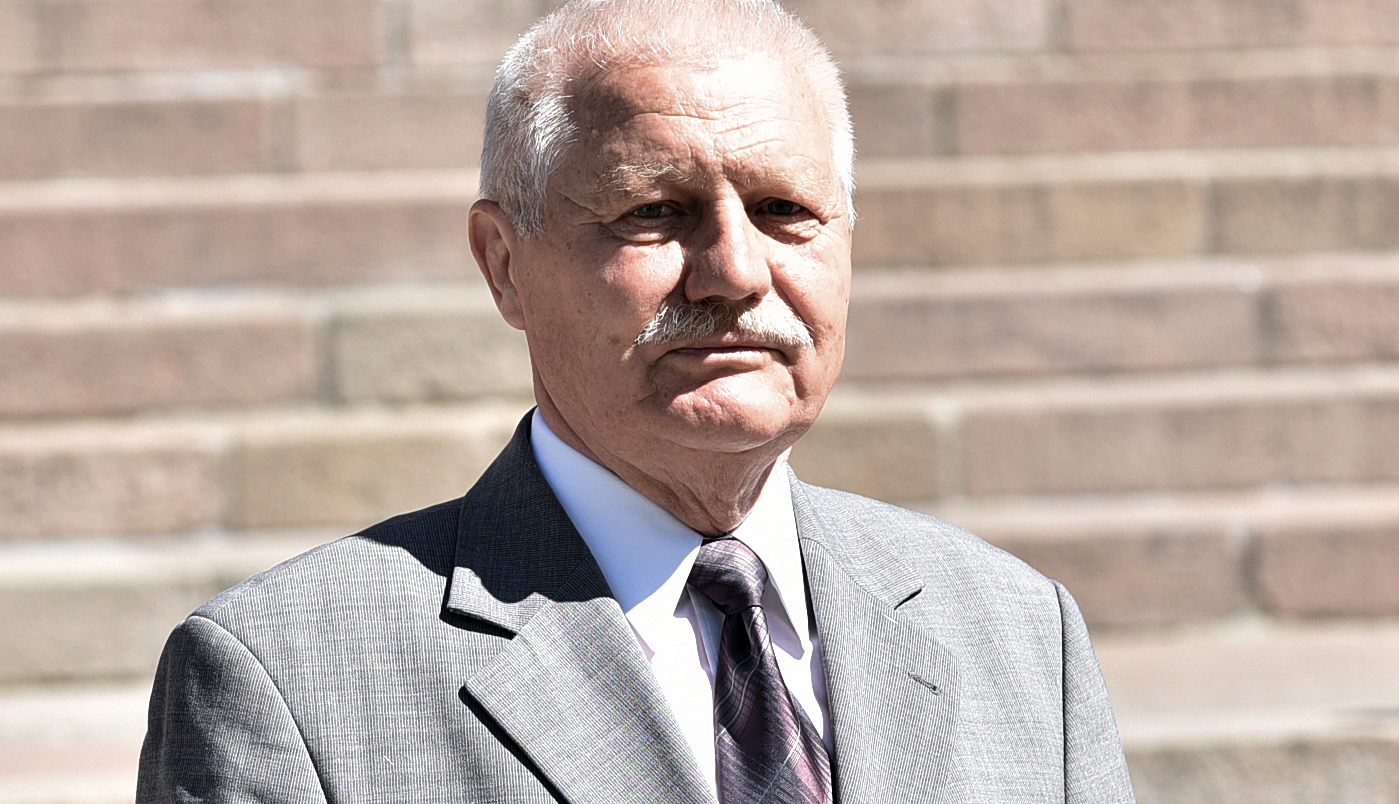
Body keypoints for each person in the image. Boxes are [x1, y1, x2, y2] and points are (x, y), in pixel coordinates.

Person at [137, 0, 1136, 801]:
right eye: (653, 212)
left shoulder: (1015, 630)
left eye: (784, 210)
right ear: (503, 264)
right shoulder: (287, 680)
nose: (734, 271)